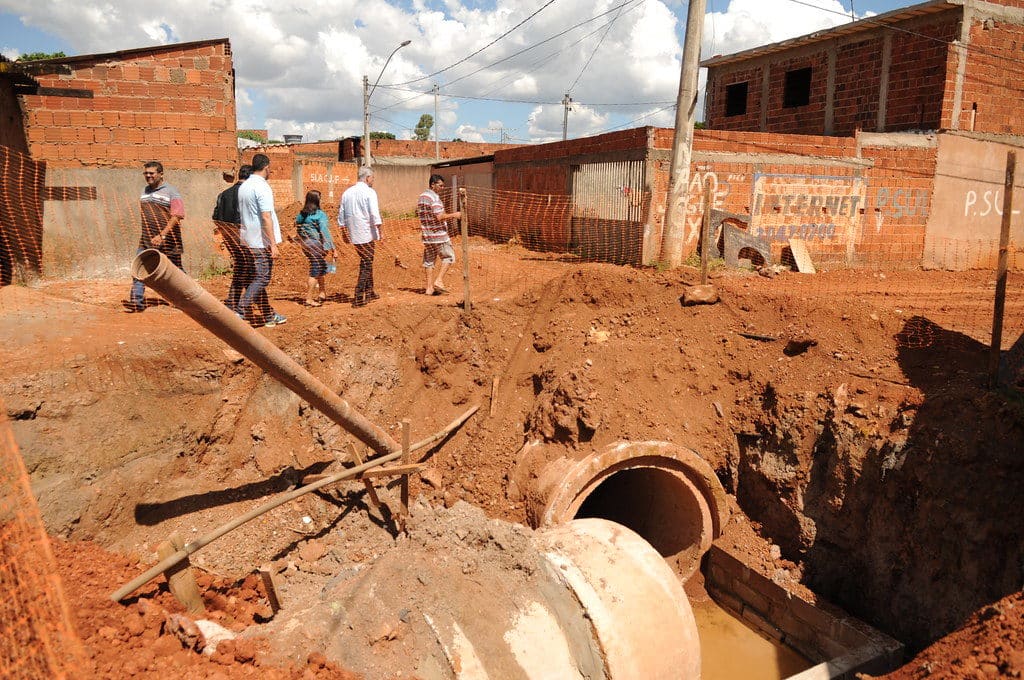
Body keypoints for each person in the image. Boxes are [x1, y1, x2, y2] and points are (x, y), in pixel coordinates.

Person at [126, 161, 186, 312]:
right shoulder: (144, 191)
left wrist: (162, 235)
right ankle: (136, 301)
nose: (148, 176)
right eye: (146, 173)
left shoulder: (171, 191)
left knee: (177, 271)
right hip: (146, 240)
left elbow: (178, 215)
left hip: (169, 241)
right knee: (139, 268)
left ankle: (188, 299)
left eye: (151, 173)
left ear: (161, 174)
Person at [237, 153, 286, 327]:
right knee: (262, 278)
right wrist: (273, 244)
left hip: (247, 240)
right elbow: (266, 216)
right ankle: (240, 310)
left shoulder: (244, 186)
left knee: (257, 278)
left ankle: (268, 315)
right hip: (260, 242)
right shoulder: (262, 187)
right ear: (266, 167)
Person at [339, 166, 383, 308]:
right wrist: (380, 230)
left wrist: (344, 232)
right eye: (372, 178)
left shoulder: (347, 193)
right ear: (368, 178)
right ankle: (358, 296)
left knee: (367, 260)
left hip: (354, 233)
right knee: (366, 263)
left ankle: (370, 291)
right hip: (366, 233)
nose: (373, 180)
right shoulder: (370, 192)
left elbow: (341, 215)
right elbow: (374, 213)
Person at [212, 164, 253, 312]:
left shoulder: (223, 194)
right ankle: (245, 303)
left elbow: (215, 217)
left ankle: (234, 301)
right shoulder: (248, 195)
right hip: (245, 238)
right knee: (251, 271)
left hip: (229, 239)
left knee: (242, 268)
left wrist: (226, 233)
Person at [416, 174, 462, 296]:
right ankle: (439, 280)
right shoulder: (434, 198)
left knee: (429, 261)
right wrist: (455, 215)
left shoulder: (421, 197)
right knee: (449, 257)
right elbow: (439, 217)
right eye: (440, 186)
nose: (442, 188)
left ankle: (429, 288)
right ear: (433, 185)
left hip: (427, 235)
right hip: (439, 235)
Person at [296, 189, 335, 306]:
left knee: (321, 266)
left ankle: (322, 293)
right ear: (317, 200)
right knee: (316, 269)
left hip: (305, 244)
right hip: (315, 244)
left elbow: (297, 226)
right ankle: (309, 299)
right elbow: (324, 231)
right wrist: (332, 248)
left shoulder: (301, 214)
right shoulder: (320, 214)